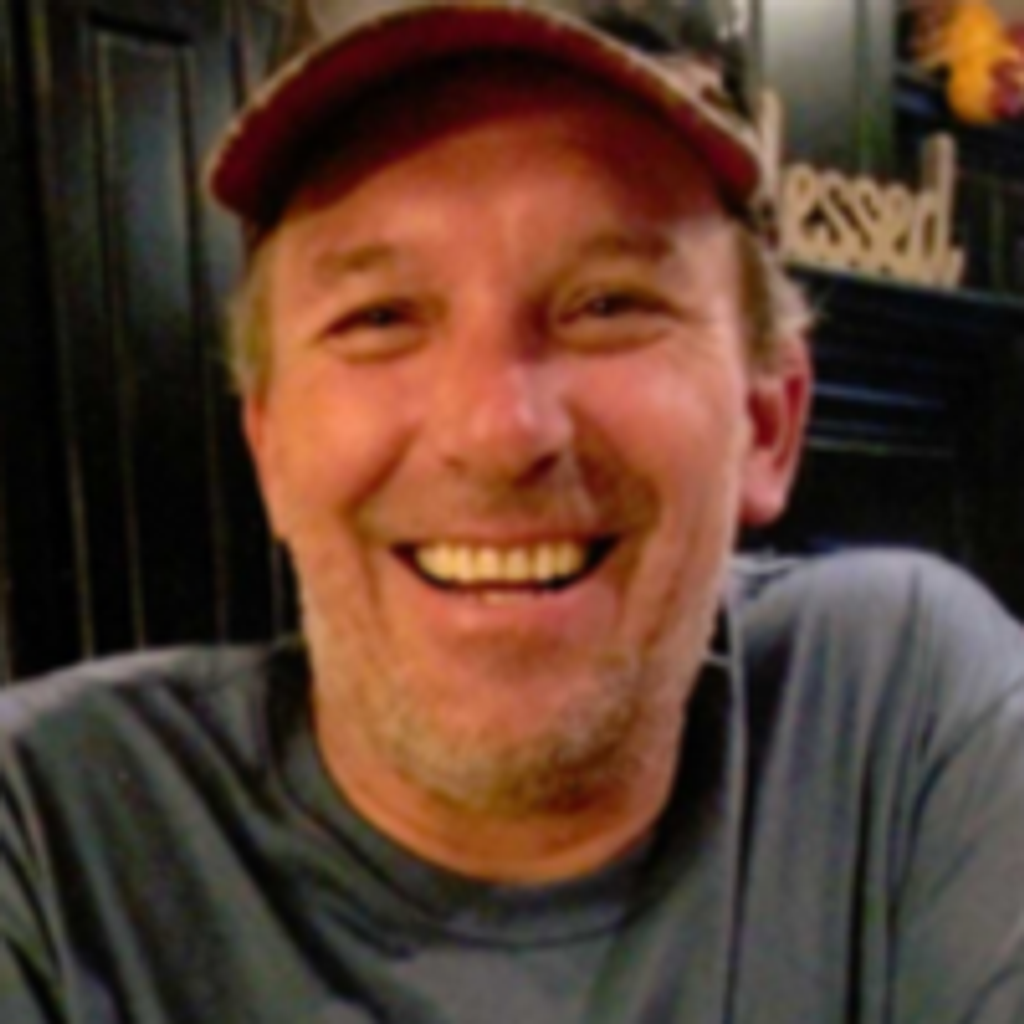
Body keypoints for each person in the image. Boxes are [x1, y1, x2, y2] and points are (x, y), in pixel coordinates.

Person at [2, 1, 1023, 1021]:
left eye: (608, 304)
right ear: (269, 446)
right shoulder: (47, 840)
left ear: (767, 425)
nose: (498, 431)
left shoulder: (900, 716)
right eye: (380, 317)